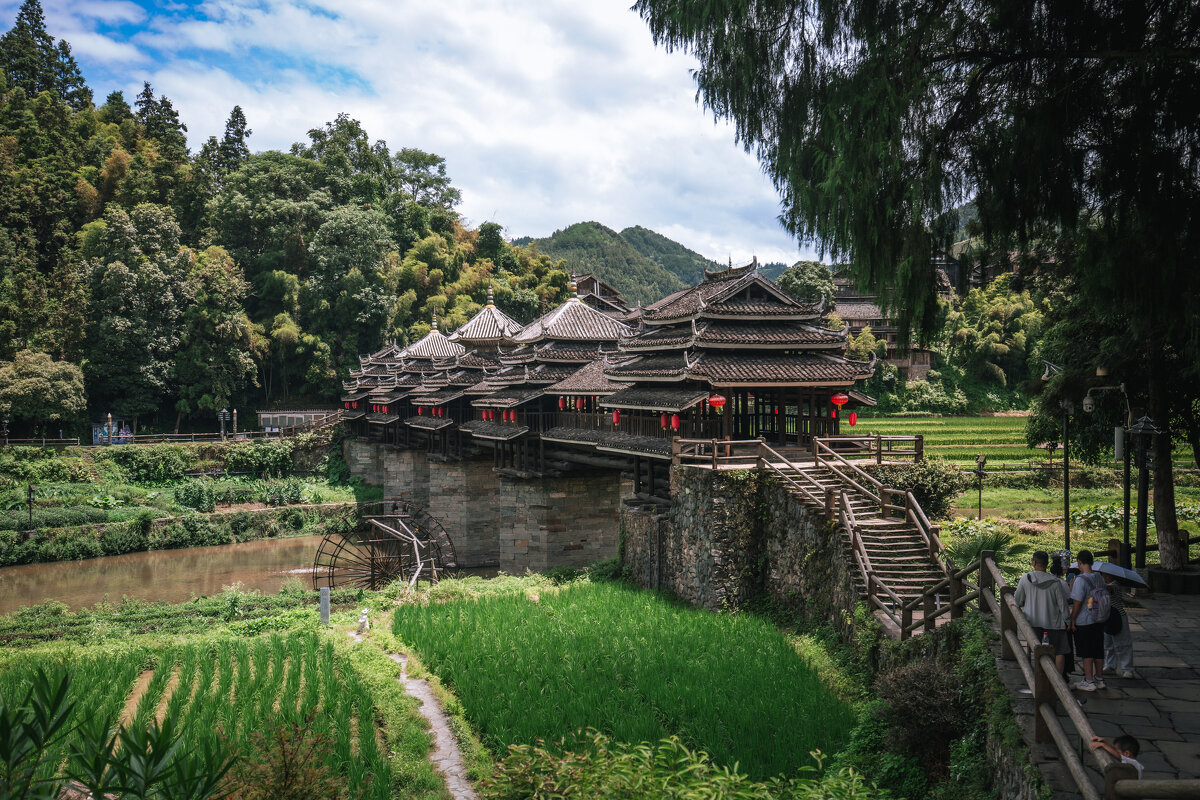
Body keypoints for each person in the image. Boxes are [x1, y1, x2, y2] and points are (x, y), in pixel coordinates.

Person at [1014, 551, 1071, 675]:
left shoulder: (1026, 578)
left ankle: (1037, 679)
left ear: (1034, 562)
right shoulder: (1055, 582)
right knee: (1059, 651)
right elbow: (1063, 605)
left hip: (1033, 622)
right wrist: (1068, 621)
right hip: (1055, 624)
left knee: (1035, 651)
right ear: (1046, 564)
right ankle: (1058, 681)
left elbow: (1017, 600)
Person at [1070, 549, 1108, 691]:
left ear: (1079, 562)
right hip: (1099, 618)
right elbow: (1094, 597)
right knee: (1098, 649)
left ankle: (1089, 680)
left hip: (1085, 620)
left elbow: (1078, 603)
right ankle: (1099, 679)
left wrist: (1072, 618)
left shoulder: (1080, 580)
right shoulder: (1099, 577)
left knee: (1086, 650)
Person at [1102, 573, 1137, 679]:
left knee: (1123, 643)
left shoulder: (1114, 585)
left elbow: (1107, 588)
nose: (1103, 577)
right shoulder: (1107, 585)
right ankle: (1110, 665)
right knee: (1109, 643)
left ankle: (1127, 668)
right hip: (1107, 616)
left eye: (1104, 575)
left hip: (1118, 616)